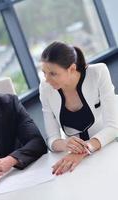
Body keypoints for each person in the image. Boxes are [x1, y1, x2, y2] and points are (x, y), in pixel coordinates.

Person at [39, 41, 118, 175]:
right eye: (44, 73)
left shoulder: (98, 72)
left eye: (53, 73)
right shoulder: (46, 88)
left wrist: (84, 150)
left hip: (108, 148)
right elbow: (52, 138)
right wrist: (65, 144)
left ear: (71, 69)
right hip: (77, 162)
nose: (47, 79)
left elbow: (113, 127)